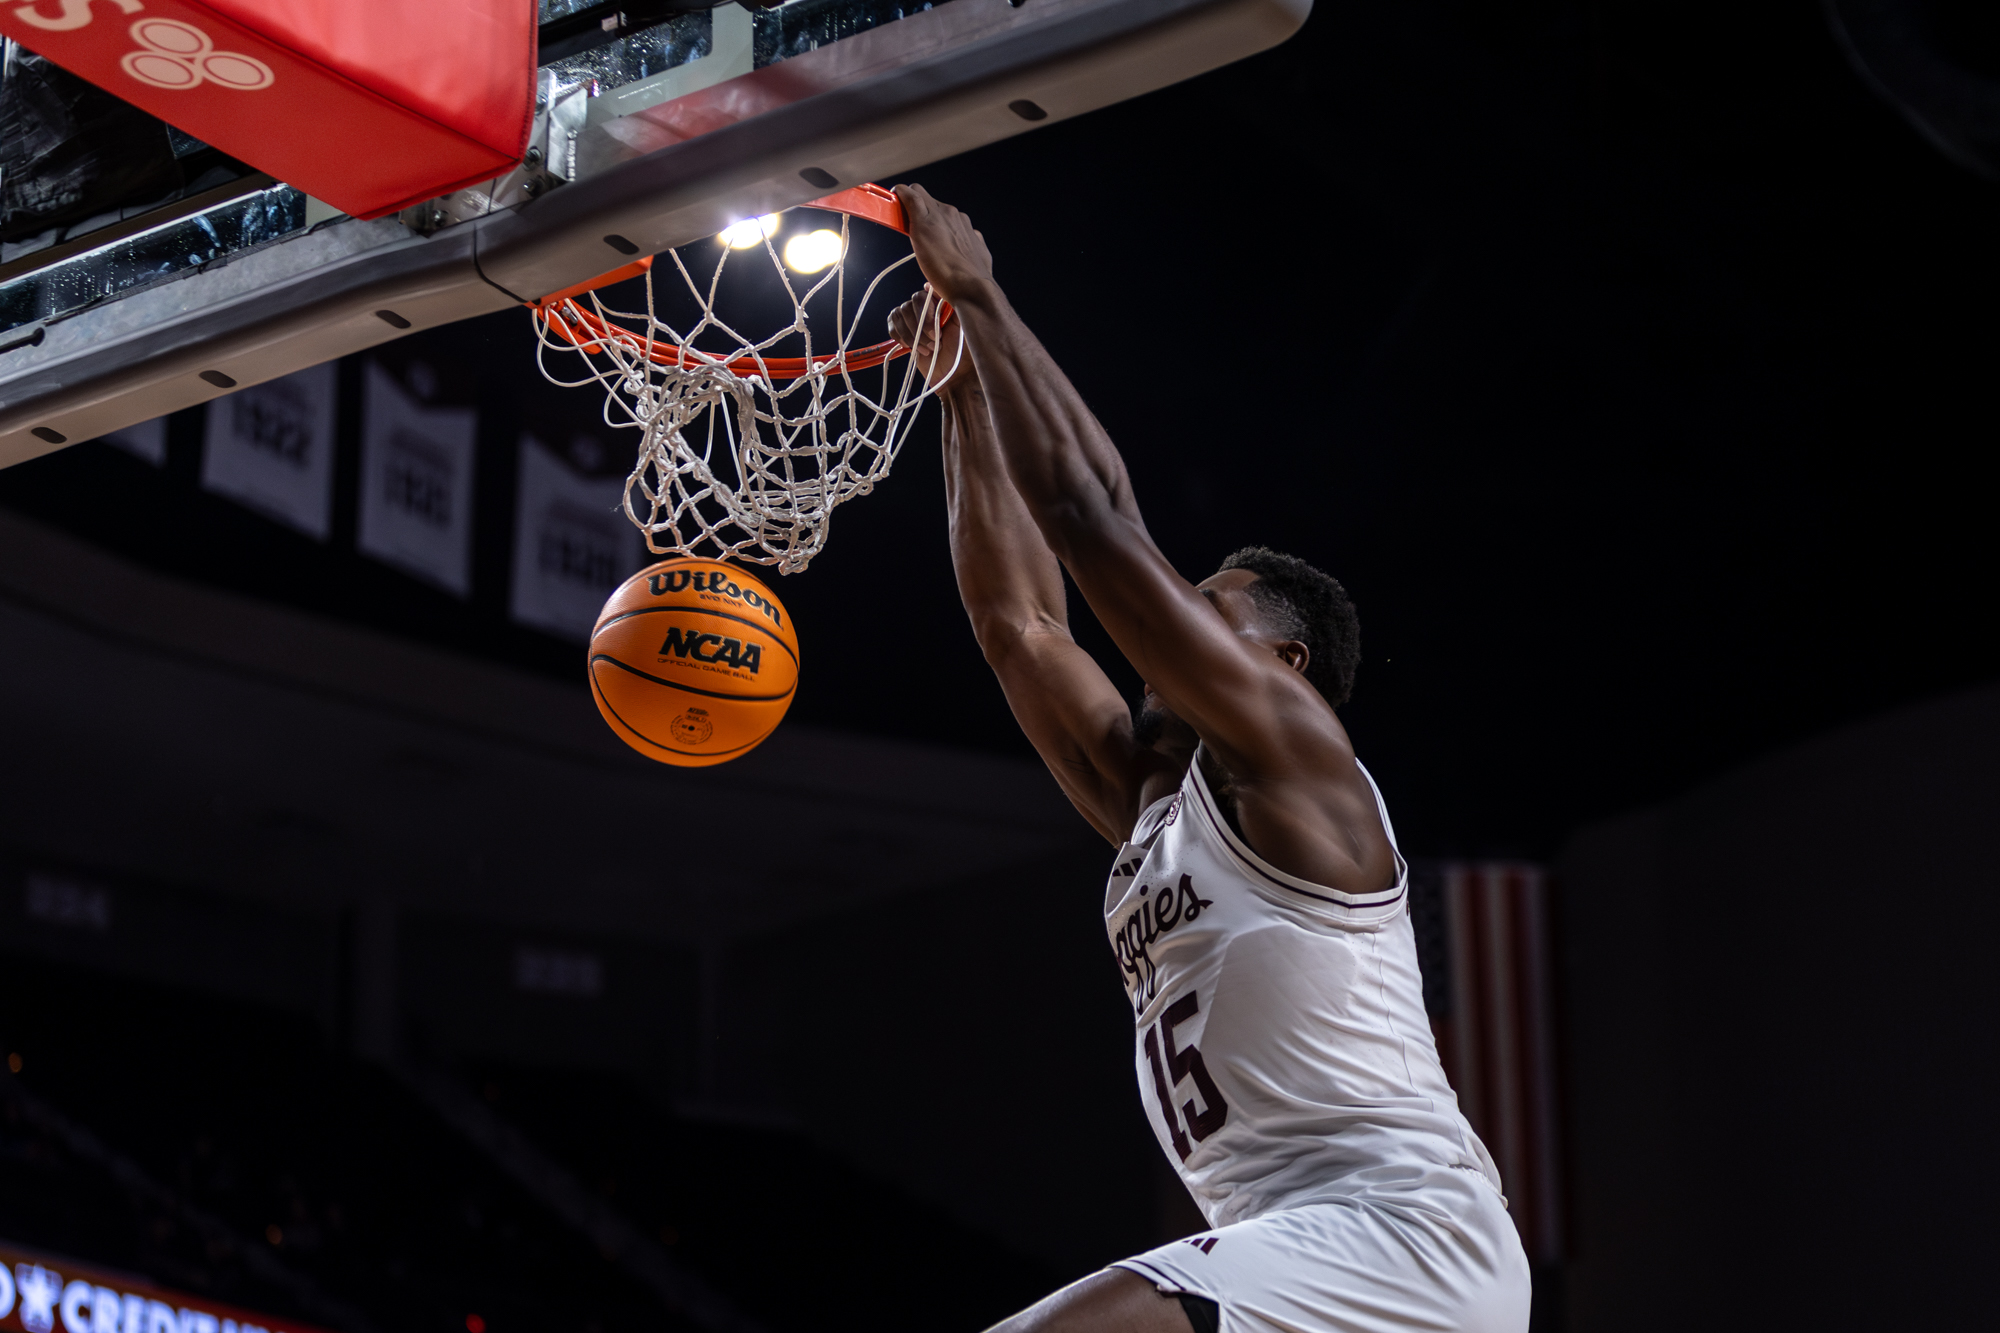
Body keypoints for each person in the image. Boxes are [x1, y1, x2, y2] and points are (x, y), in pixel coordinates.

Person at [885, 184, 1532, 1333]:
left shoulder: (1295, 763)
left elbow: (1088, 517)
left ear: (1281, 663)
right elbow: (1017, 625)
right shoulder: (1149, 803)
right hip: (1284, 1243)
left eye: (1203, 604)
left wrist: (981, 296)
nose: (1171, 612)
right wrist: (962, 394)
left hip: (1398, 1233)